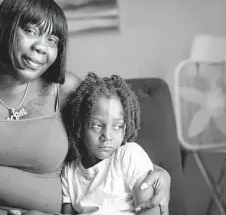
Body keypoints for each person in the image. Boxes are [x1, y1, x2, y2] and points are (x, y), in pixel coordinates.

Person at [0, 0, 170, 215]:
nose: (41, 47)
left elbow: (107, 141)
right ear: (4, 27)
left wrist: (158, 174)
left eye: (52, 40)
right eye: (30, 31)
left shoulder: (68, 89)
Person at [58, 73, 160, 215]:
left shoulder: (129, 155)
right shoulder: (69, 173)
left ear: (125, 128)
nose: (107, 136)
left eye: (117, 126)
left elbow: (150, 210)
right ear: (80, 127)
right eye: (97, 125)